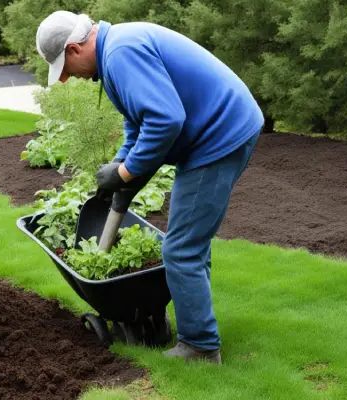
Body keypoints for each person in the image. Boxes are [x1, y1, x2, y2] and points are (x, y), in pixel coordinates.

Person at [35, 11, 264, 364]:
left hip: (219, 136)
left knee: (182, 249)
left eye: (65, 69)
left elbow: (166, 120)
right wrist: (120, 170)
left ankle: (200, 347)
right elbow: (137, 122)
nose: (67, 80)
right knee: (189, 245)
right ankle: (196, 328)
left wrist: (126, 173)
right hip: (216, 133)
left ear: (75, 49)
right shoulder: (115, 54)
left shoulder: (121, 53)